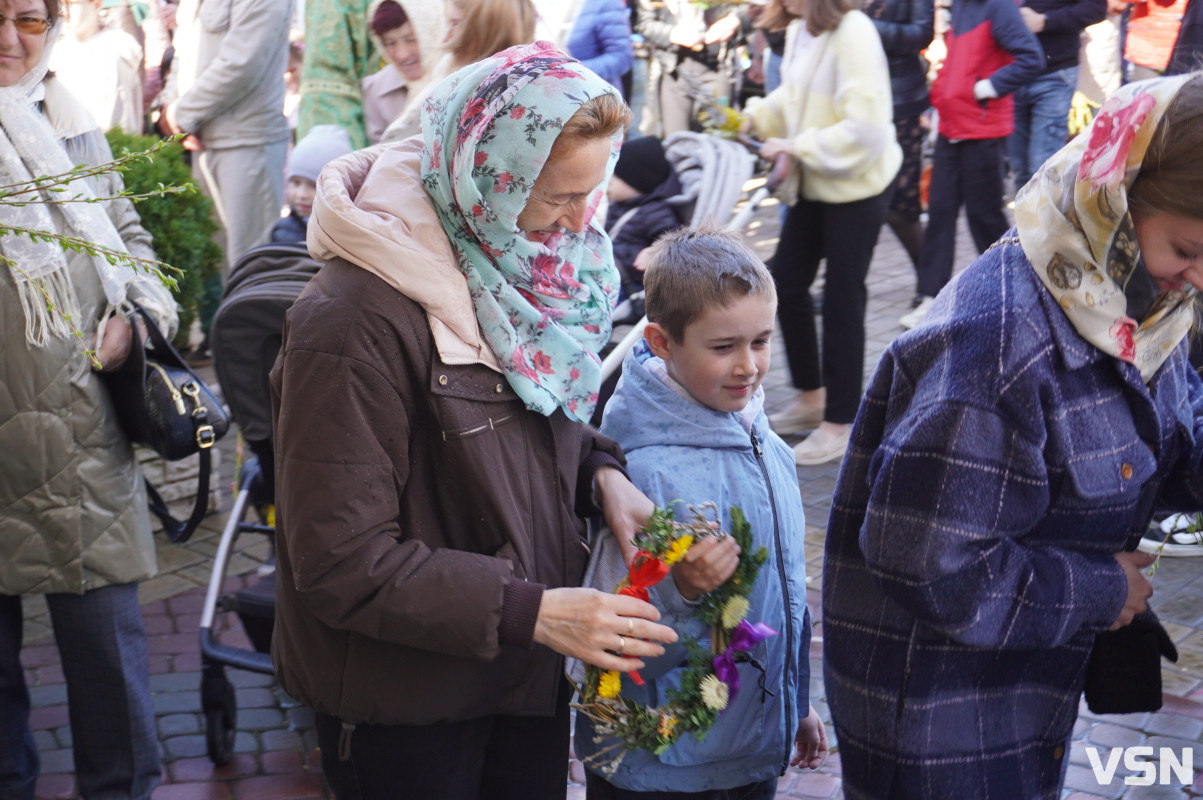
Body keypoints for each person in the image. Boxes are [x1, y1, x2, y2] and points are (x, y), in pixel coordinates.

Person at [269, 42, 679, 799]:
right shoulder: (351, 321)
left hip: (519, 674)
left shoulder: (506, 264)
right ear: (484, 175)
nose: (577, 223)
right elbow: (338, 561)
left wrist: (600, 474)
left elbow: (529, 423)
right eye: (558, 197)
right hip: (410, 706)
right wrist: (533, 611)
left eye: (590, 193)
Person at [823, 73, 1203, 799]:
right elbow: (929, 565)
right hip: (939, 718)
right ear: (1114, 203)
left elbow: (1169, 439)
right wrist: (1100, 590)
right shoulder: (997, 344)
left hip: (1026, 688)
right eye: (1185, 247)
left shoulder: (1136, 306)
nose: (1195, 279)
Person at [576, 227, 828, 798]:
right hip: (665, 758)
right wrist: (682, 588)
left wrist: (796, 700)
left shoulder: (765, 440)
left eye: (761, 341)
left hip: (751, 741)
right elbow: (611, 604)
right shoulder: (640, 466)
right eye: (724, 347)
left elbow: (785, 592)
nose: (748, 366)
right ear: (662, 343)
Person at [0, 1, 178, 798]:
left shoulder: (70, 120)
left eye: (28, 19)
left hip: (78, 434)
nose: (10, 40)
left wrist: (137, 320)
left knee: (110, 667)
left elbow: (130, 237)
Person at [742, 0, 902, 465]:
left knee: (842, 296)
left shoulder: (853, 30)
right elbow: (793, 99)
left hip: (859, 183)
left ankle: (842, 420)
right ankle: (813, 396)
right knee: (785, 285)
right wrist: (755, 117)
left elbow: (867, 130)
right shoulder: (800, 30)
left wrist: (794, 145)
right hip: (817, 178)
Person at [899, 0, 1042, 330]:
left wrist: (986, 87)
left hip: (982, 131)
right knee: (940, 213)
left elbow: (1030, 57)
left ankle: (1018, 290)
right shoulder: (961, 7)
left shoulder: (998, 7)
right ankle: (929, 297)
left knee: (985, 218)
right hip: (952, 128)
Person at [160, 0, 293, 272]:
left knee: (251, 274)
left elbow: (242, 64)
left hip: (247, 142)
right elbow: (183, 52)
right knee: (213, 270)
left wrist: (180, 115)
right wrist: (171, 107)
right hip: (201, 139)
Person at [379, 0, 537, 142]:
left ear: (487, 31)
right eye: (389, 43)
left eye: (456, 24)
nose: (446, 38)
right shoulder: (449, 74)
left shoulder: (474, 98)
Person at [863, 0, 935, 273]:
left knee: (901, 204)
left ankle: (928, 281)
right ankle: (842, 282)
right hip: (859, 99)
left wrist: (866, 28)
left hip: (901, 102)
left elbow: (921, 34)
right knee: (857, 202)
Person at [1007, 0, 1106, 193]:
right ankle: (1026, 221)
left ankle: (1042, 221)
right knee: (1019, 168)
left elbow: (1095, 8)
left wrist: (1046, 21)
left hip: (1054, 73)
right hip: (1010, 73)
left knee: (1042, 166)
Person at [632, 0, 744, 137]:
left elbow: (753, 11)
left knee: (717, 135)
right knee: (677, 139)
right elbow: (644, 24)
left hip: (718, 68)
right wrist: (672, 34)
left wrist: (735, 21)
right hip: (675, 71)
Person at [605, 134, 685, 322]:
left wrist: (654, 251)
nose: (607, 181)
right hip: (611, 273)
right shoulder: (622, 205)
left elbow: (675, 243)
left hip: (630, 285)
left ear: (638, 182)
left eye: (615, 177)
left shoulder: (656, 212)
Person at [360, 0, 445, 144]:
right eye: (389, 43)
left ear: (432, 32)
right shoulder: (374, 89)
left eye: (411, 40)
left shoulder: (460, 78)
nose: (402, 54)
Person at [52, 0, 145, 133]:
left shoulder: (114, 55)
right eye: (59, 3)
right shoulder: (57, 51)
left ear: (96, 5)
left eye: (72, 4)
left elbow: (118, 130)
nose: (64, 12)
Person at [269, 124, 353, 244]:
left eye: (314, 185)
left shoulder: (349, 235)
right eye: (296, 183)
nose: (302, 194)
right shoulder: (282, 231)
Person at [532, 0, 632, 95]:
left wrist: (568, 72)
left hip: (590, 98)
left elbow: (620, 57)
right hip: (541, 95)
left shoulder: (604, 3)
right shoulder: (532, 4)